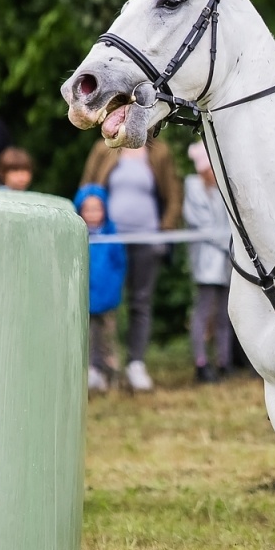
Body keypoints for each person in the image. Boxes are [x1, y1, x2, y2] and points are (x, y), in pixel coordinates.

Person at [81, 138, 183, 391]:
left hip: (146, 240)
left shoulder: (160, 150)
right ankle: (98, 366)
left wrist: (165, 231)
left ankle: (136, 364)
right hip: (108, 242)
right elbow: (88, 189)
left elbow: (174, 194)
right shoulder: (104, 148)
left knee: (141, 302)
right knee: (100, 303)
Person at [183, 142, 233, 383]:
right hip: (207, 259)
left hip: (227, 261)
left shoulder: (221, 188)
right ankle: (201, 363)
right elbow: (204, 225)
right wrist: (228, 244)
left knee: (225, 312)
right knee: (203, 313)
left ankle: (224, 361)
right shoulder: (193, 188)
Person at [75, 184, 128, 393]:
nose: (92, 214)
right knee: (87, 339)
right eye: (87, 209)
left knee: (107, 340)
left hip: (107, 300)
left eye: (97, 209)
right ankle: (90, 374)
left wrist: (111, 293)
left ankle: (112, 376)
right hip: (84, 301)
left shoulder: (112, 236)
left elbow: (119, 265)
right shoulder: (76, 237)